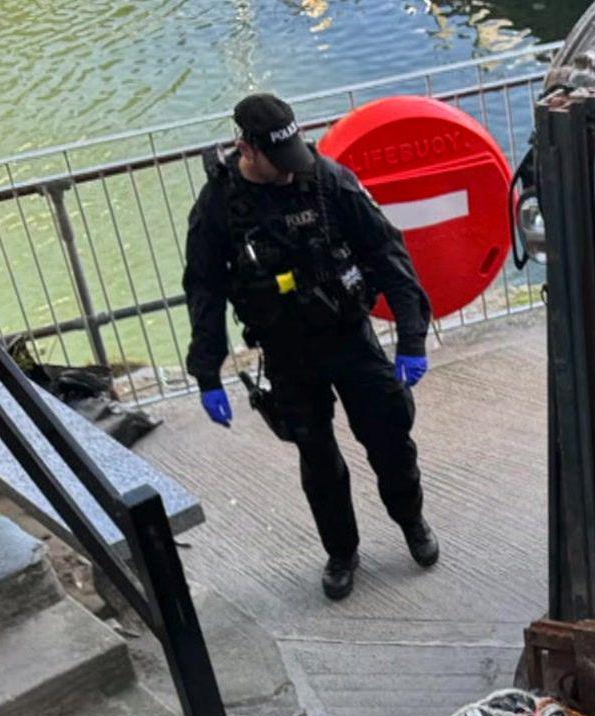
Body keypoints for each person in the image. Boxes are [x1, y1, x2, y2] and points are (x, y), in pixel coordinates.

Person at [184, 93, 439, 601]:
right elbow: (204, 289)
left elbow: (388, 254)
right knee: (317, 458)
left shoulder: (328, 181)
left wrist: (411, 337)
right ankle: (341, 553)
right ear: (245, 149)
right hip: (287, 352)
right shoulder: (218, 207)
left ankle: (412, 522)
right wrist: (207, 371)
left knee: (390, 438)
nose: (287, 172)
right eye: (276, 163)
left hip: (348, 336)